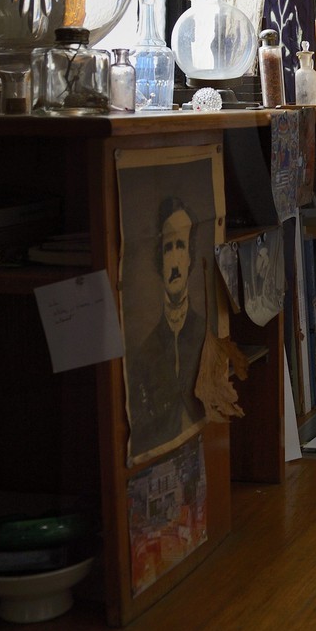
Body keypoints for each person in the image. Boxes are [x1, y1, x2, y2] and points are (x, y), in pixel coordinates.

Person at [126, 195, 207, 456]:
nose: (174, 260)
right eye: (167, 248)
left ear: (190, 256)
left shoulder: (206, 332)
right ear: (159, 260)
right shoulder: (145, 352)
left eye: (180, 246)